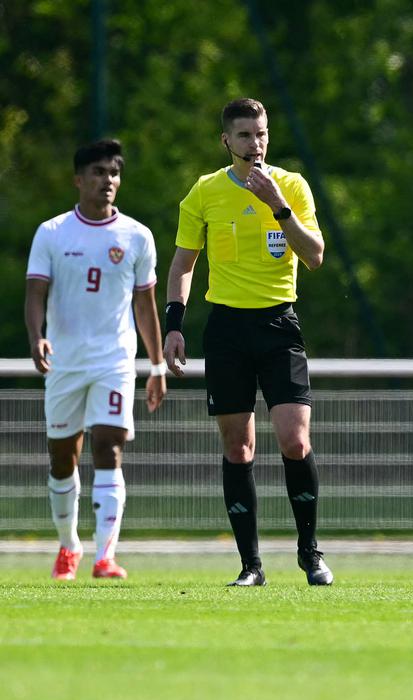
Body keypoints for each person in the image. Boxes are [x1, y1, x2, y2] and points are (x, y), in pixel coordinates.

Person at [164, 98, 331, 587]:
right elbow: (183, 264)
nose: (254, 143)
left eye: (261, 134)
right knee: (238, 448)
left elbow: (315, 256)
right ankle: (251, 566)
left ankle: (310, 554)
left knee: (295, 440)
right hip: (228, 331)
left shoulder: (292, 186)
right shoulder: (206, 191)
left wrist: (278, 207)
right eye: (244, 135)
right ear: (226, 141)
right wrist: (174, 324)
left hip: (279, 325)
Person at [24, 139, 166, 581]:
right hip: (64, 363)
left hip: (114, 360)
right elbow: (35, 293)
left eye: (114, 173)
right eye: (99, 172)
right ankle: (69, 546)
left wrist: (156, 365)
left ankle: (106, 556)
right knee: (62, 458)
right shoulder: (52, 232)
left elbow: (145, 305)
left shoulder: (137, 236)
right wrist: (37, 337)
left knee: (109, 446)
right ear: (79, 180)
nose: (108, 180)